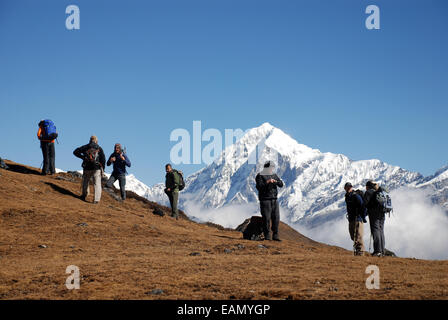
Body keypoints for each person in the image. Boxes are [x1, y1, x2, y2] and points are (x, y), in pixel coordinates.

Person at [255, 161, 284, 241]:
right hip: (265, 200)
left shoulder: (274, 175)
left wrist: (276, 182)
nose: (272, 169)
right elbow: (259, 187)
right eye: (271, 167)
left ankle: (275, 235)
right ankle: (267, 236)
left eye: (273, 168)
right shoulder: (260, 176)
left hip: (274, 199)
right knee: (266, 218)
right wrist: (267, 182)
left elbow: (281, 184)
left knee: (276, 218)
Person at [73, 136, 106, 204]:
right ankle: (96, 200)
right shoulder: (99, 148)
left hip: (87, 167)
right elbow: (103, 159)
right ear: (96, 141)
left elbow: (75, 152)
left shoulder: (85, 147)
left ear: (90, 140)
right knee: (97, 184)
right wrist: (103, 168)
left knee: (85, 182)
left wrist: (82, 157)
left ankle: (84, 195)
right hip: (96, 168)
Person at [344, 182, 367, 256]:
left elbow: (362, 206)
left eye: (349, 187)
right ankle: (357, 250)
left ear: (351, 187)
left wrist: (363, 217)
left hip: (358, 218)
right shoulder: (347, 196)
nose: (348, 188)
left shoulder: (355, 196)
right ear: (345, 188)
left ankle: (360, 252)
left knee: (358, 236)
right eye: (347, 187)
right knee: (353, 236)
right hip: (351, 219)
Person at [364, 180, 386, 257]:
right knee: (381, 231)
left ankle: (377, 251)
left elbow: (365, 204)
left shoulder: (368, 192)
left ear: (367, 186)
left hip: (374, 214)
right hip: (382, 214)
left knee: (375, 231)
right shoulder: (378, 192)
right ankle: (382, 250)